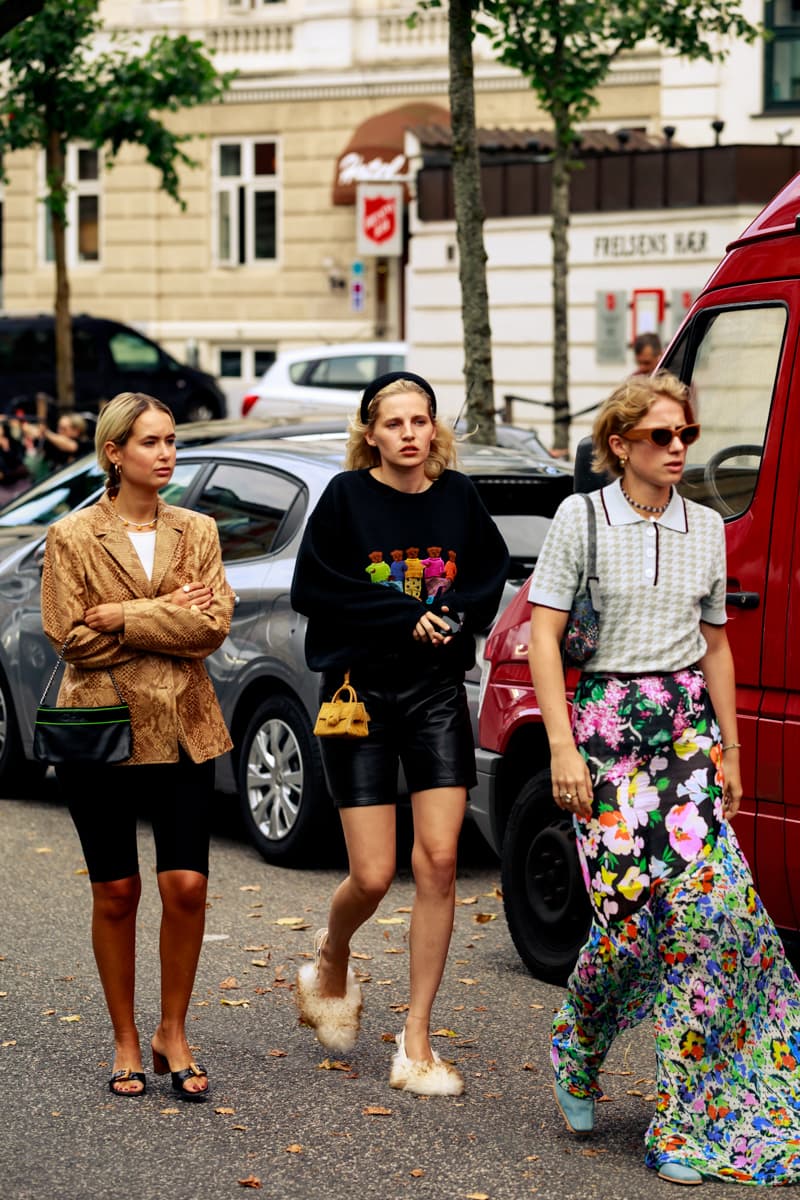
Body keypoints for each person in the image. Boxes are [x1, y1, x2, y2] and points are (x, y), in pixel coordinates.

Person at [527, 371, 800, 1185]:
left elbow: (716, 645)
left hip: (686, 731)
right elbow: (545, 639)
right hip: (607, 735)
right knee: (630, 926)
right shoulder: (581, 518)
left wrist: (734, 751)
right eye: (661, 436)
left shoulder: (707, 528)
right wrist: (561, 750)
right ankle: (576, 1040)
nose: (679, 448)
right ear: (620, 443)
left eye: (686, 434)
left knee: (706, 922)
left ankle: (689, 1120)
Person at [290, 371, 509, 1095]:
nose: (410, 434)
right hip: (359, 694)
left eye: (421, 421)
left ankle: (415, 1039)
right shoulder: (348, 499)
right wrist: (398, 614)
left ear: (434, 429)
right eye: (395, 423)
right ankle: (332, 956)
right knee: (375, 875)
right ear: (371, 433)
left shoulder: (458, 498)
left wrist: (455, 615)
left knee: (440, 861)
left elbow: (488, 571)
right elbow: (314, 587)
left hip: (435, 695)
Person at [40, 391, 235, 1101]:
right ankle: (126, 1036)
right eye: (151, 442)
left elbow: (212, 626)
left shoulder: (199, 531)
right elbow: (72, 639)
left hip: (185, 725)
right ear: (114, 452)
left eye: (172, 441)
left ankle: (171, 1031)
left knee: (185, 886)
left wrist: (124, 613)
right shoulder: (71, 537)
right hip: (101, 729)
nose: (166, 454)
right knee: (117, 891)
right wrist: (166, 615)